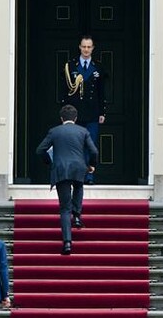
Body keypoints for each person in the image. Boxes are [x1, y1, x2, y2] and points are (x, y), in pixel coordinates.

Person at [36, 104, 98, 255]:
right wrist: (91, 165)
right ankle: (77, 216)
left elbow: (40, 150)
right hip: (79, 167)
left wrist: (50, 163)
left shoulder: (54, 131)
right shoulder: (83, 131)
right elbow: (93, 150)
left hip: (61, 169)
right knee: (78, 187)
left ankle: (67, 243)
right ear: (75, 118)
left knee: (64, 208)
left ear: (61, 118)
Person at [61, 35, 106, 184]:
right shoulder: (71, 66)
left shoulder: (98, 66)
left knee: (90, 144)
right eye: (84, 46)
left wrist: (102, 112)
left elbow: (102, 91)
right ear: (79, 47)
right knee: (75, 144)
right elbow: (64, 90)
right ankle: (76, 174)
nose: (86, 49)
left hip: (92, 112)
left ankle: (89, 175)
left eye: (89, 47)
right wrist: (65, 113)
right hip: (75, 113)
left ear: (93, 48)